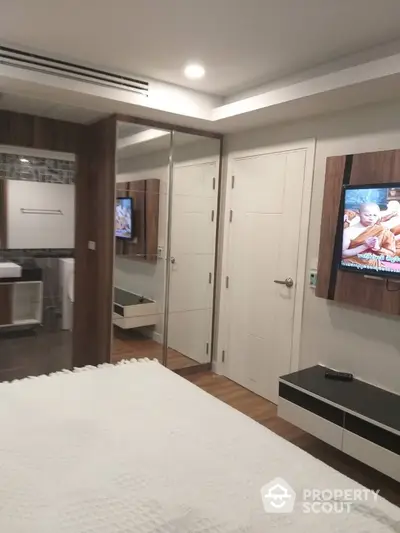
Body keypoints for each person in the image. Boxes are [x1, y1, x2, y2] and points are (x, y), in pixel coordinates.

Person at [342, 202, 395, 268]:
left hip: (374, 268)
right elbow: (342, 254)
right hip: (351, 266)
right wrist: (365, 246)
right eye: (367, 215)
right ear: (359, 213)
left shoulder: (383, 231)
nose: (371, 218)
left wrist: (378, 248)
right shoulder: (348, 231)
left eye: (374, 215)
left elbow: (391, 254)